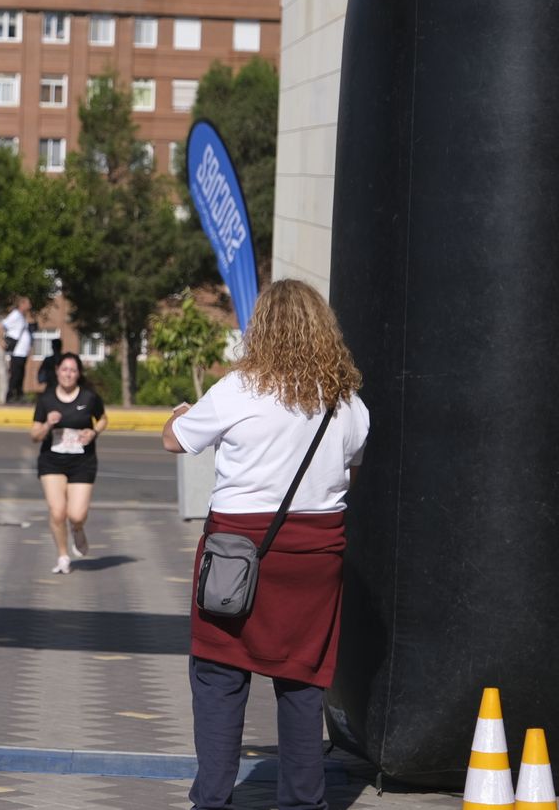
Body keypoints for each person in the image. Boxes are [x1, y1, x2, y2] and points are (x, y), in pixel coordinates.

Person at [161, 279, 370, 810]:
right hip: (315, 559)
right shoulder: (347, 403)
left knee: (218, 673)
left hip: (236, 553)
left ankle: (213, 798)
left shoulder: (237, 390)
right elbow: (351, 467)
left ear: (264, 330)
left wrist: (181, 414)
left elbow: (173, 440)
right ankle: (303, 801)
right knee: (301, 680)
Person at [30, 351, 107, 574]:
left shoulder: (89, 397)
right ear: (57, 371)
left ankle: (78, 528)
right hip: (52, 460)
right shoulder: (46, 400)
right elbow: (34, 435)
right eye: (64, 369)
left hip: (82, 460)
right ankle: (63, 555)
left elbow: (103, 419)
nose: (68, 374)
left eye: (73, 370)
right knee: (57, 512)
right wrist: (47, 424)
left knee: (76, 514)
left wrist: (93, 432)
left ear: (78, 373)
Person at [0, 297, 32, 403]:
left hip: (22, 352)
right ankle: (10, 396)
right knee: (15, 375)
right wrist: (1, 340)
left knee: (21, 375)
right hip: (17, 352)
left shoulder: (22, 317)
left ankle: (19, 395)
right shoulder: (15, 315)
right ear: (21, 304)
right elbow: (0, 326)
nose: (30, 305)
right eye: (28, 303)